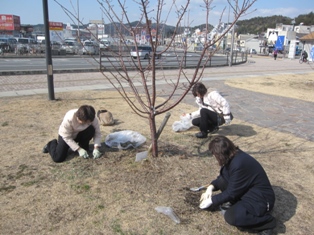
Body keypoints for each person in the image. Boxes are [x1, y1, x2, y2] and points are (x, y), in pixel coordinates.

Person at [199, 136, 276, 235]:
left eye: (215, 154)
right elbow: (223, 178)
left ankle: (267, 223)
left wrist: (212, 200)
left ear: (221, 154)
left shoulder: (239, 164)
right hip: (248, 190)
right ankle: (237, 205)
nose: (214, 157)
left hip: (261, 199)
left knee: (232, 217)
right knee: (222, 181)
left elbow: (231, 192)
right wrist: (211, 187)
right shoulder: (232, 157)